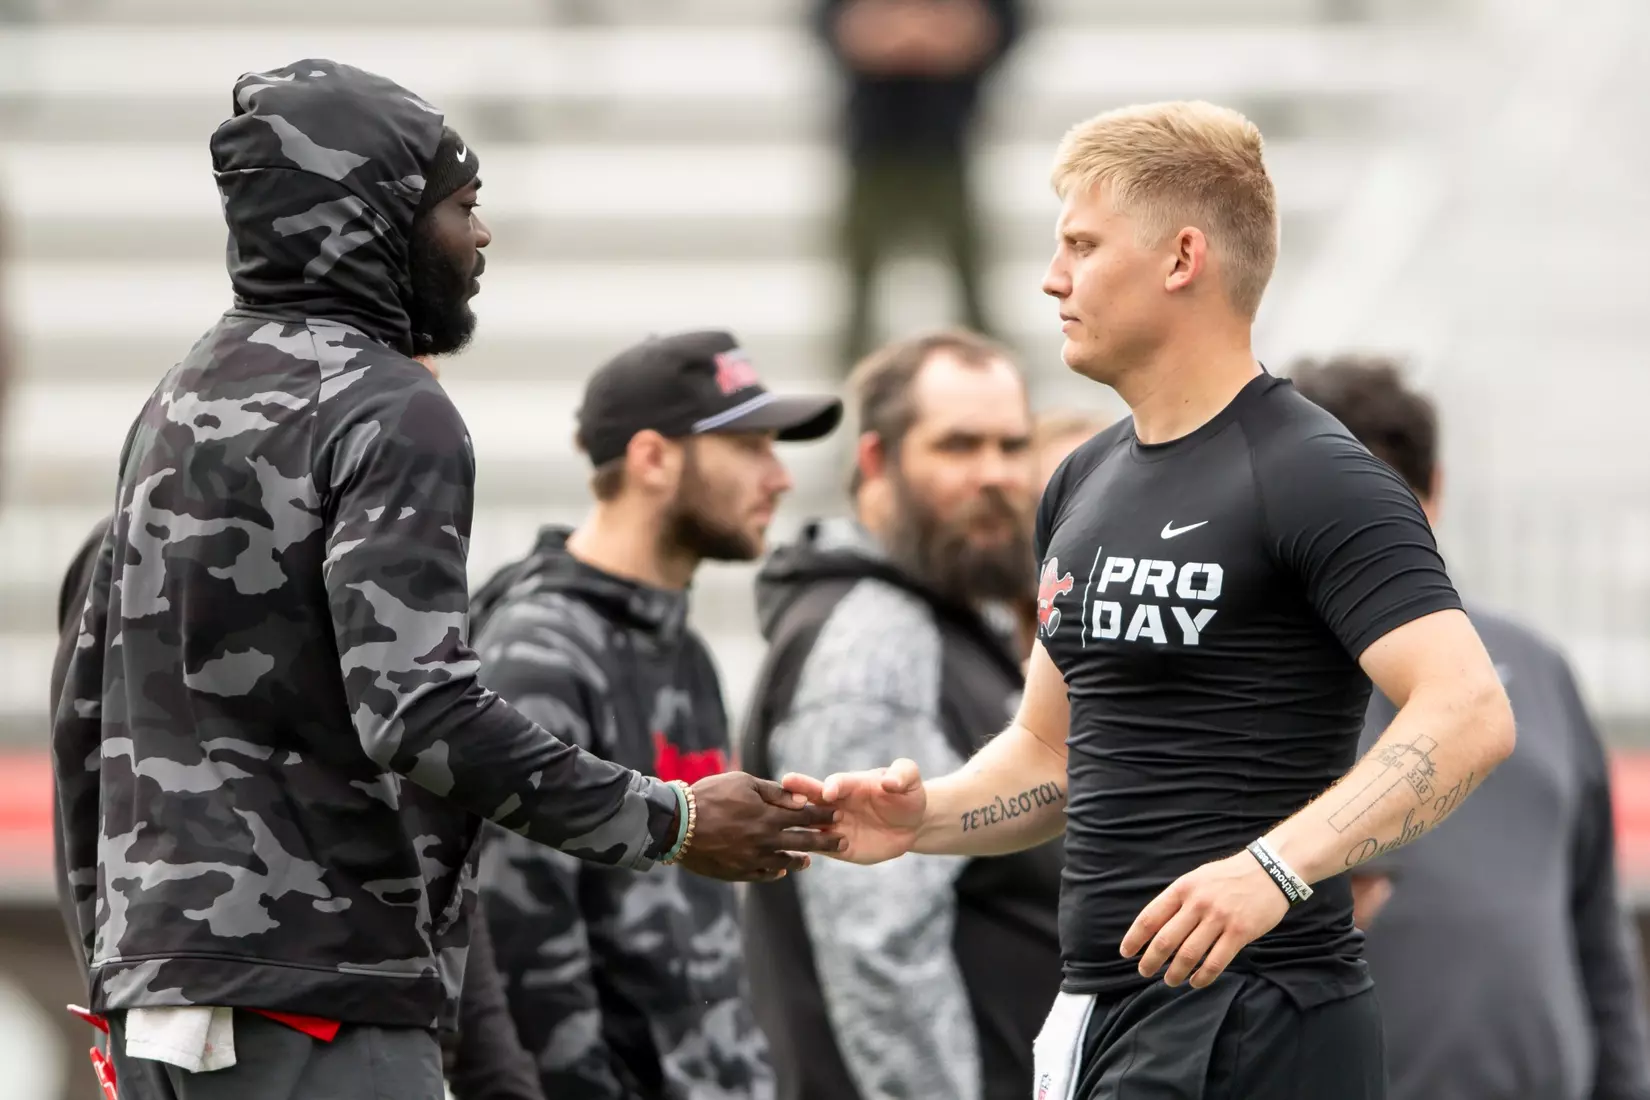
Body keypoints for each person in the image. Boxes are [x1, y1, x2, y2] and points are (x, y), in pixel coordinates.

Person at [49, 59, 838, 1100]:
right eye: (462, 205)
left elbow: (86, 715)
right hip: (323, 1001)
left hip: (159, 1001)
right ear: (372, 220)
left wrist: (117, 968)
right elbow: (415, 712)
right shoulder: (388, 404)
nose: (483, 233)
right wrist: (676, 822)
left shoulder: (176, 394)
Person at [781, 100, 1517, 1100]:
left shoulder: (1315, 472)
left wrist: (1275, 867)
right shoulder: (1081, 479)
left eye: (1083, 246)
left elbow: (1469, 711)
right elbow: (1052, 752)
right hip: (1103, 1011)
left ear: (1182, 258)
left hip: (1263, 1010)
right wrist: (926, 817)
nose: (1054, 277)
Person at [49, 513, 547, 1100]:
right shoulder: (141, 537)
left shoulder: (371, 543)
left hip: (340, 996)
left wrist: (495, 1075)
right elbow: (84, 786)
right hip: (271, 1002)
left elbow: (430, 840)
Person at [470, 329, 841, 1099]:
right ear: (652, 459)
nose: (778, 477)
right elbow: (518, 949)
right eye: (750, 447)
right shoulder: (539, 653)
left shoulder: (682, 648)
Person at [1291, 355, 1650, 1100]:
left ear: (1436, 492)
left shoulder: (1534, 664)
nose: (1368, 541)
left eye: (1390, 505)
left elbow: (1596, 924)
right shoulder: (1257, 681)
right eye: (1341, 511)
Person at [740, 328, 1061, 1100]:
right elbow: (879, 954)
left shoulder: (947, 616)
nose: (996, 475)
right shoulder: (877, 640)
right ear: (877, 461)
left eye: (1013, 446)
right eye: (958, 446)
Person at [814, 0, 1023, 370]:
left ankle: (987, 369)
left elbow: (1000, 25)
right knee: (860, 274)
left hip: (946, 137)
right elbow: (834, 25)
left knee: (969, 273)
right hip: (875, 138)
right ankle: (855, 372)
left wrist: (946, 35)